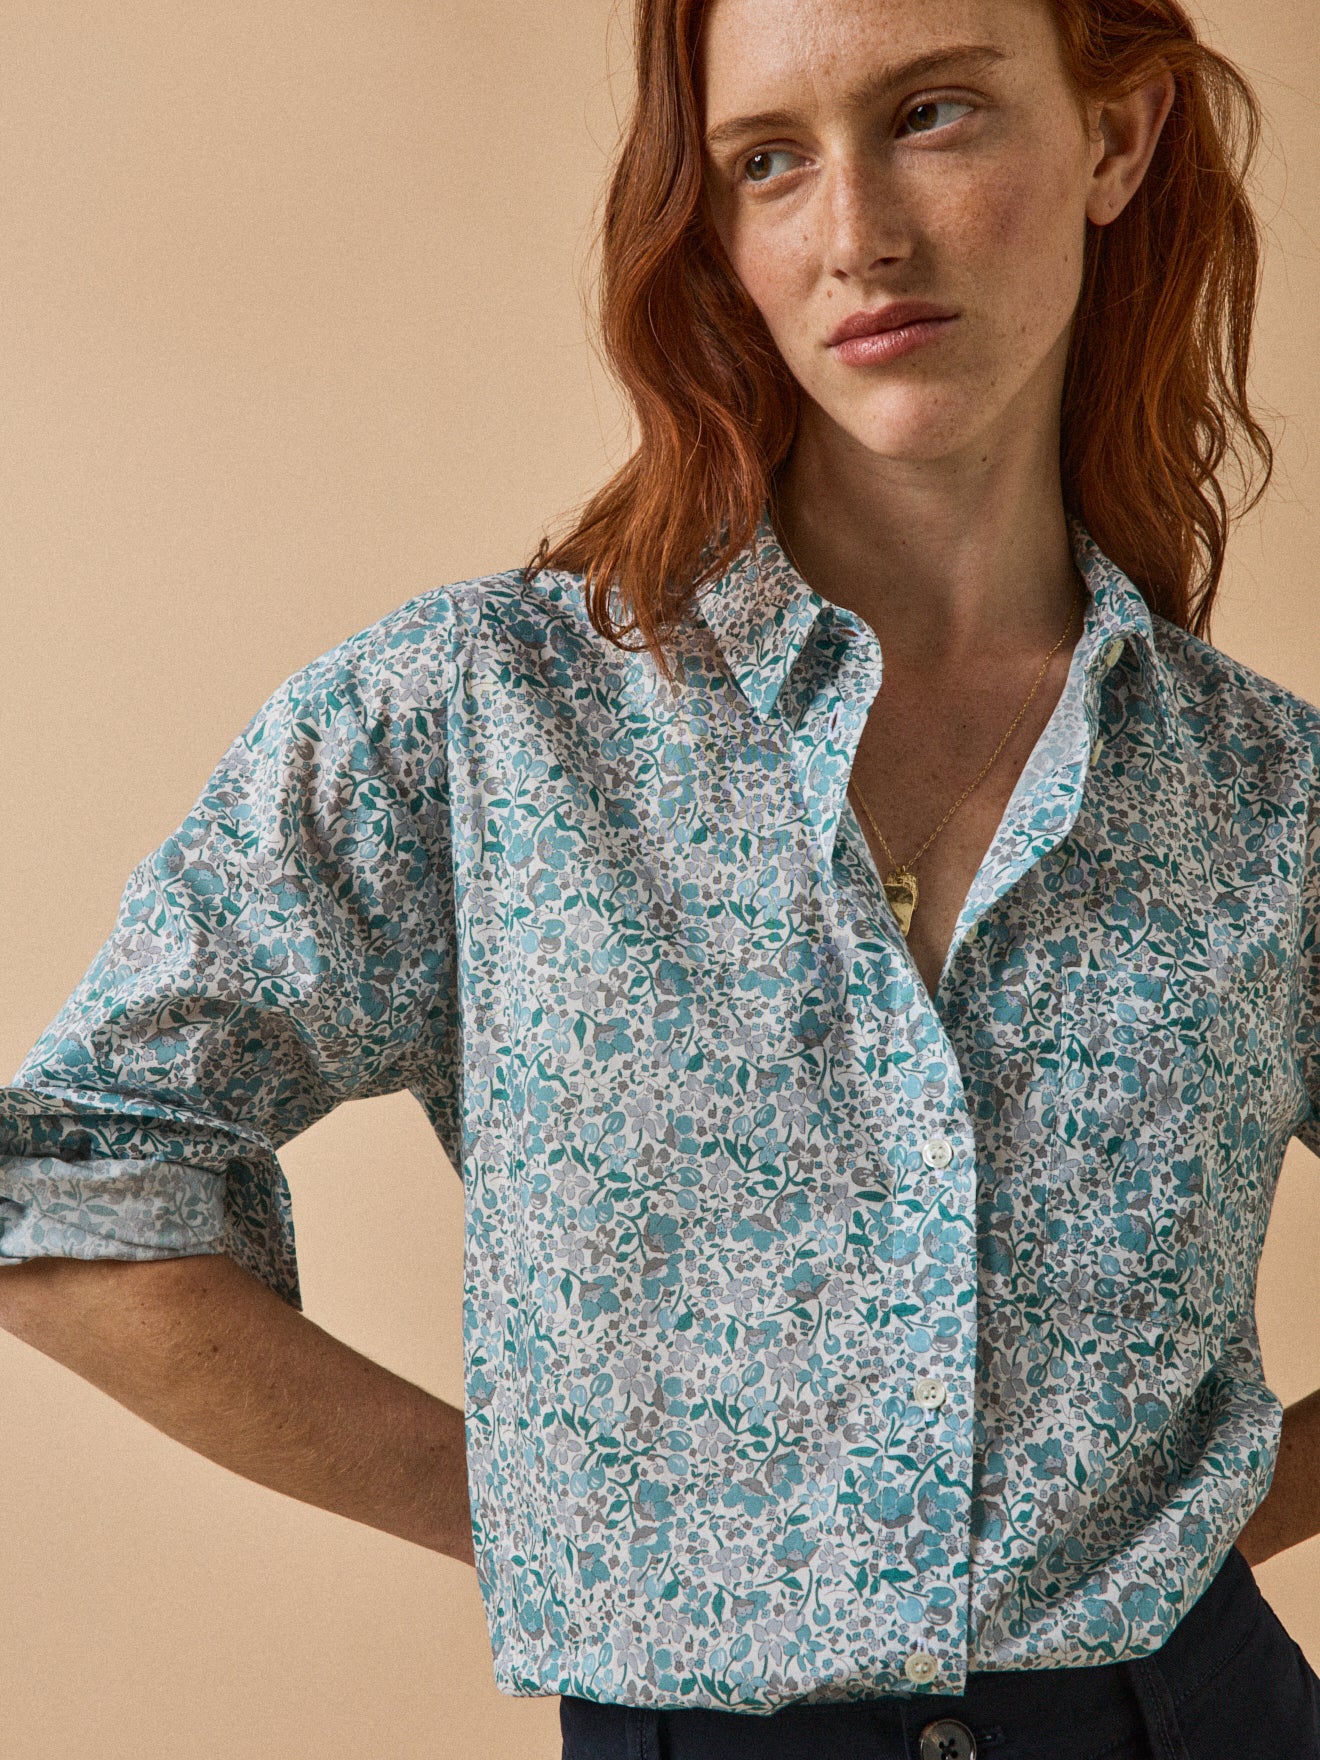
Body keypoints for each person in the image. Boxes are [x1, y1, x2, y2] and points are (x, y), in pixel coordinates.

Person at [2, 0, 1318, 1753]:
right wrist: (566, 1524)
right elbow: (62, 1197)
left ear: (1115, 138)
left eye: (932, 113)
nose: (856, 233)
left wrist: (1170, 1541)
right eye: (768, 161)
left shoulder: (1265, 794)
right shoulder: (477, 721)